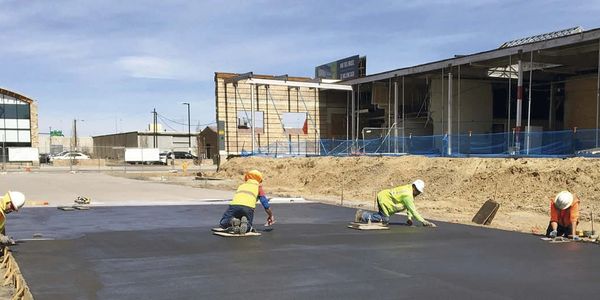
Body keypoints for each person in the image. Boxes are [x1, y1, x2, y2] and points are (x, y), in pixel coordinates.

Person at [354, 179, 436, 227]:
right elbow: (413, 210)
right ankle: (362, 215)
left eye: (419, 192)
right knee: (384, 219)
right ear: (414, 187)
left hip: (384, 198)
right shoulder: (407, 194)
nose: (418, 194)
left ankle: (366, 215)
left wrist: (409, 219)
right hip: (384, 199)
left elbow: (409, 207)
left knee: (383, 217)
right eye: (418, 191)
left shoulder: (409, 190)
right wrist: (423, 221)